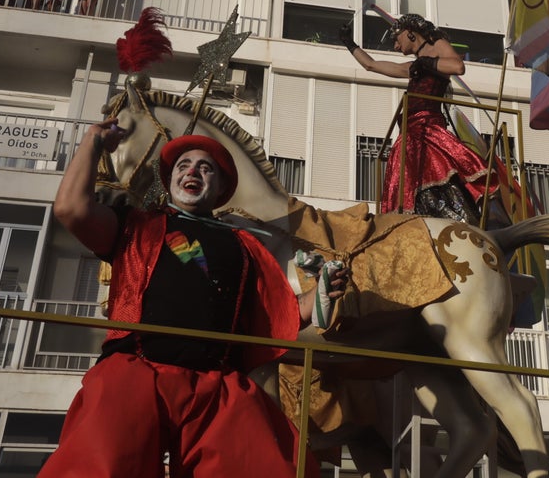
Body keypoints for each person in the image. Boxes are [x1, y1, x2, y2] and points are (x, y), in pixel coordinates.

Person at [42, 123, 346, 478]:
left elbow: (281, 315)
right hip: (136, 370)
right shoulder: (135, 225)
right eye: (184, 165)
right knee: (98, 467)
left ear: (219, 189)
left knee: (274, 467)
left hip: (216, 384)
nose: (193, 171)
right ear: (171, 180)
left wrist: (320, 291)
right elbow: (70, 209)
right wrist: (93, 142)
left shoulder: (245, 246)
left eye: (206, 168)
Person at [340, 14, 502, 223]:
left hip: (429, 126)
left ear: (410, 33)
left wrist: (427, 63)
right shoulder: (413, 66)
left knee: (441, 166)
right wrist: (349, 43)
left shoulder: (436, 47)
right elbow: (371, 65)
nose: (396, 47)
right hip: (409, 131)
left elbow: (458, 67)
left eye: (397, 40)